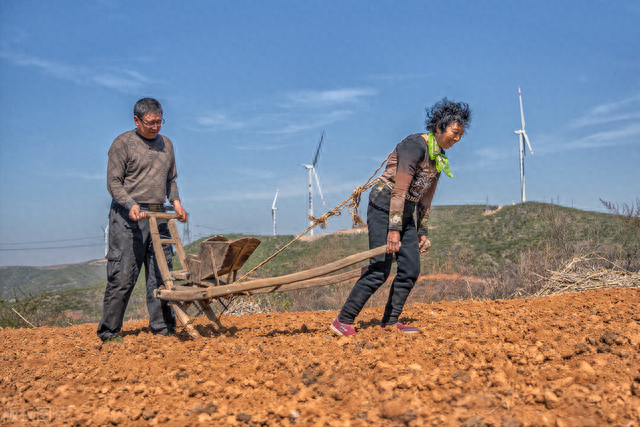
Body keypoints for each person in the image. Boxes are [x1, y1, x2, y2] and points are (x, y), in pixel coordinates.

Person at [331, 98, 471, 337]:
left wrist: (422, 231)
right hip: (383, 207)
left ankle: (391, 320)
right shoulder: (413, 146)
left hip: (405, 214)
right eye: (454, 132)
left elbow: (425, 199)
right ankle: (343, 320)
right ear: (439, 127)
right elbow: (400, 190)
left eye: (461, 135)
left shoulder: (439, 157)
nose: (457, 139)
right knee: (379, 270)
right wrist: (393, 230)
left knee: (410, 268)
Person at [97, 98, 188, 343]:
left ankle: (164, 328)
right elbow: (114, 183)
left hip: (159, 216)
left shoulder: (166, 144)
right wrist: (131, 204)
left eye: (160, 121)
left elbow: (171, 180)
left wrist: (176, 201)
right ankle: (109, 332)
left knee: (161, 275)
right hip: (128, 218)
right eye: (150, 123)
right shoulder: (122, 144)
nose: (156, 127)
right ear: (136, 121)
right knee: (123, 275)